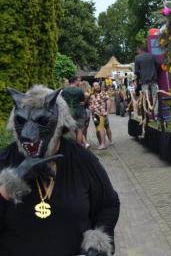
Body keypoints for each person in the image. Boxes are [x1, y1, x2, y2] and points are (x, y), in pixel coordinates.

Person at [0, 85, 120, 256]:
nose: (28, 135)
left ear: (59, 125)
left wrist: (98, 243)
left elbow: (108, 205)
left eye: (42, 121)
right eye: (21, 121)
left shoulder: (82, 160)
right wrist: (10, 186)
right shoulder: (4, 160)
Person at [61, 76, 90, 148]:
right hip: (80, 111)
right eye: (78, 81)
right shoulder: (80, 90)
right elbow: (87, 95)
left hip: (69, 111)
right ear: (75, 81)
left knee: (70, 129)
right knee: (79, 130)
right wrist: (84, 102)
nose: (79, 82)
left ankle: (71, 146)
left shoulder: (64, 90)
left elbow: (61, 99)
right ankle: (79, 147)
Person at [134, 45, 160, 114]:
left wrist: (140, 76)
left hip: (144, 82)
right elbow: (158, 65)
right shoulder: (152, 56)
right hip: (154, 80)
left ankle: (147, 115)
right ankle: (156, 114)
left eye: (137, 50)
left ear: (140, 49)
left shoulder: (137, 58)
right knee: (155, 98)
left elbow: (136, 71)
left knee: (145, 98)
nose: (137, 52)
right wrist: (153, 71)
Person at [89, 82, 113, 150]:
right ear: (93, 87)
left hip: (101, 114)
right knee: (98, 128)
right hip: (94, 115)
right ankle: (101, 143)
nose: (97, 86)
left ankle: (104, 144)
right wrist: (90, 107)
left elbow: (108, 101)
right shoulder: (91, 95)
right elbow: (90, 104)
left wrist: (107, 112)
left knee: (103, 127)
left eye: (98, 85)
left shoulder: (103, 93)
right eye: (96, 85)